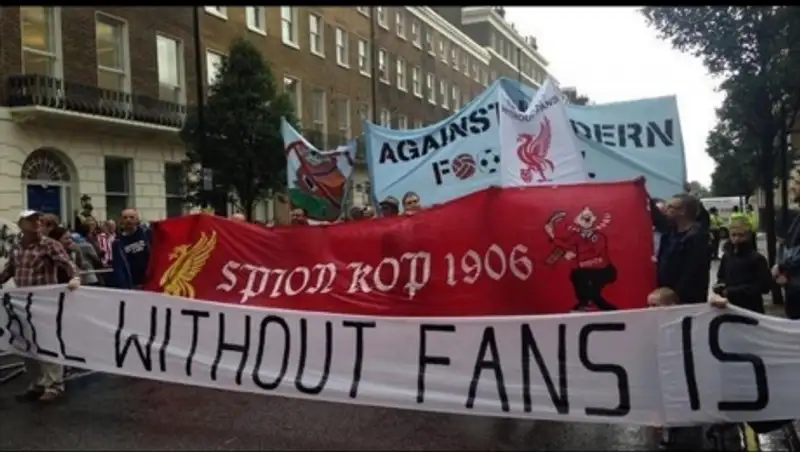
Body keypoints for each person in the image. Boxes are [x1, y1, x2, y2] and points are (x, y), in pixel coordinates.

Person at [0, 210, 80, 403]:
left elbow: (67, 264)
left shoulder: (49, 245)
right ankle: (37, 383)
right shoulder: (17, 247)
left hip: (44, 302)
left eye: (38, 220)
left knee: (47, 342)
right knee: (27, 343)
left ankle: (54, 385)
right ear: (21, 224)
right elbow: (10, 269)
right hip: (22, 303)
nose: (36, 223)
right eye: (31, 220)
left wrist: (75, 277)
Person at [651, 193, 711, 305]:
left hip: (685, 300)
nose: (666, 209)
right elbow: (656, 217)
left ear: (682, 211)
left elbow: (692, 273)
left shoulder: (698, 237)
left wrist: (674, 295)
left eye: (671, 207)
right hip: (664, 296)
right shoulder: (670, 233)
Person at [709, 218, 770, 313]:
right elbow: (721, 277)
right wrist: (719, 287)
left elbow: (764, 286)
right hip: (729, 306)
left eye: (741, 235)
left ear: (748, 236)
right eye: (734, 235)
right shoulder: (727, 257)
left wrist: (732, 291)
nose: (737, 239)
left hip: (751, 308)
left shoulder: (757, 259)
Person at [108, 208, 151, 290]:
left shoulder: (147, 235)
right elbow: (118, 267)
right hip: (132, 285)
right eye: (125, 218)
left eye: (131, 217)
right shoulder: (117, 243)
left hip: (149, 282)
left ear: (137, 219)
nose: (128, 220)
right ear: (121, 221)